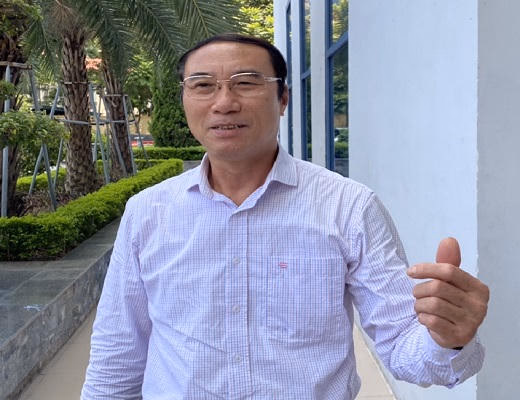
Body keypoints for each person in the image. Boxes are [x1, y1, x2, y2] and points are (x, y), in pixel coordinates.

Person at [81, 34, 489, 400]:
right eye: (203, 85)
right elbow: (117, 357)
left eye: (246, 82)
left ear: (283, 99)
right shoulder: (148, 213)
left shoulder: (348, 207)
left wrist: (447, 339)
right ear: (185, 99)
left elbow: (402, 343)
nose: (224, 102)